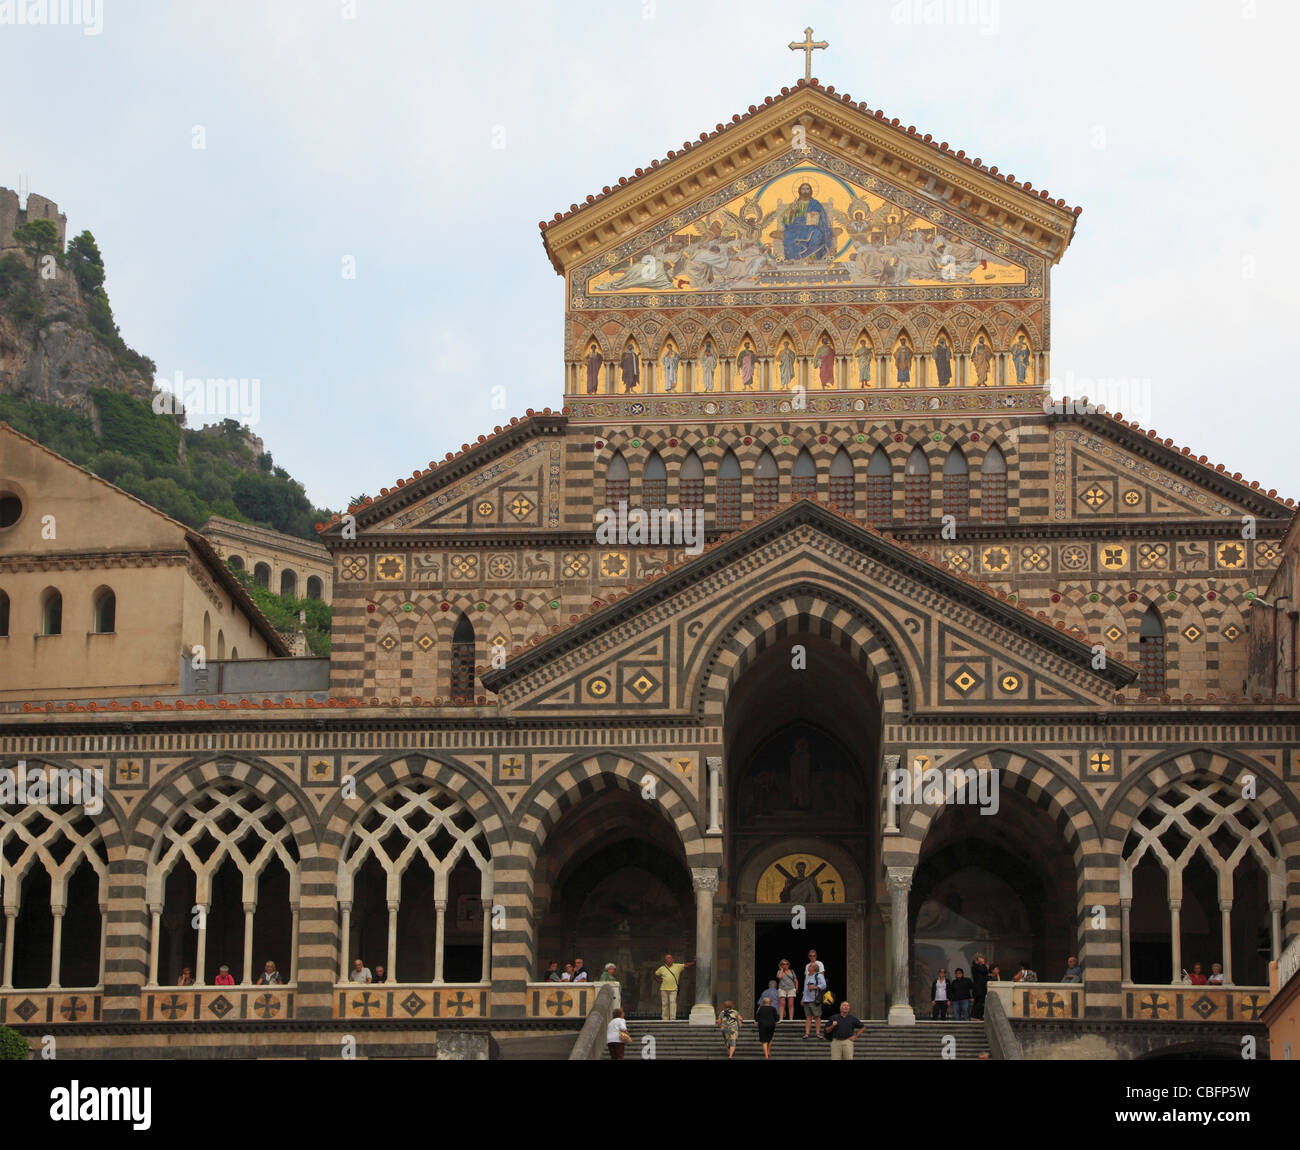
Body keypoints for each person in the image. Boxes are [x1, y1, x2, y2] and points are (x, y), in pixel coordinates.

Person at [653, 952, 694, 1020]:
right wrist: (658, 980)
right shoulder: (662, 968)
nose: (670, 959)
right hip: (664, 989)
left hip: (673, 989)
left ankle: (672, 1018)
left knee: (672, 1003)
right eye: (668, 958)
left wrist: (693, 962)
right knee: (665, 1004)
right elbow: (655, 975)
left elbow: (686, 965)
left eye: (671, 958)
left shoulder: (677, 966)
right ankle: (665, 1018)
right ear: (665, 960)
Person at [801, 967, 826, 1040]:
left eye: (810, 966)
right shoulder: (808, 977)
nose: (808, 967)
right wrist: (803, 998)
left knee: (817, 1016)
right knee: (808, 1017)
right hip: (806, 1000)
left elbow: (824, 985)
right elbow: (805, 989)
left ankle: (818, 1033)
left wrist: (815, 987)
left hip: (814, 1000)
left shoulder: (818, 975)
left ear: (813, 968)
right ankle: (807, 1033)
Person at [970, 954, 989, 1020]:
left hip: (981, 988)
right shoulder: (975, 966)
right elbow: (984, 971)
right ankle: (975, 1016)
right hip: (978, 988)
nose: (983, 959)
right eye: (981, 958)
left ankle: (977, 1016)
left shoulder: (978, 966)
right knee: (979, 1002)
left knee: (979, 1002)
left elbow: (985, 973)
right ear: (977, 960)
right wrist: (983, 964)